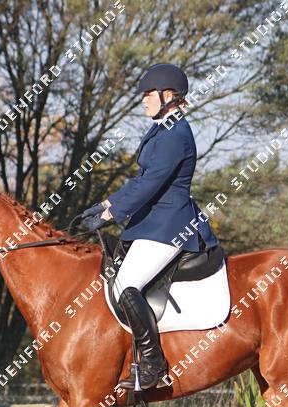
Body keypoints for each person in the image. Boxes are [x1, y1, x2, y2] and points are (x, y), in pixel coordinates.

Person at [81, 63, 218, 390]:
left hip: (170, 225)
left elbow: (151, 184)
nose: (143, 100)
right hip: (152, 223)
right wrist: (106, 204)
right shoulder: (162, 129)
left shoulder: (175, 134)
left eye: (148, 95)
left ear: (168, 95)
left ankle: (154, 365)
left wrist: (112, 215)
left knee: (125, 284)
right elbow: (140, 180)